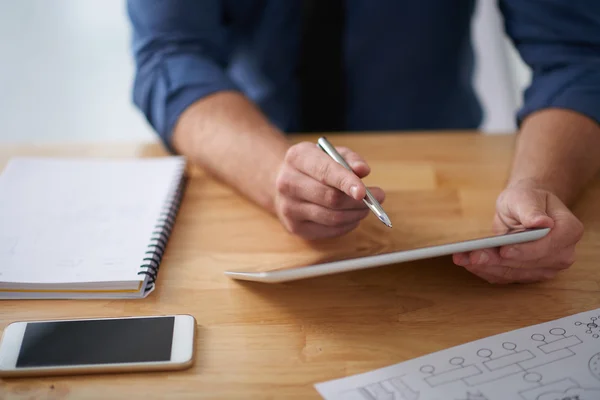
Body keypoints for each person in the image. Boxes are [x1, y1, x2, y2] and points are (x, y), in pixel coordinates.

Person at [126, 1, 600, 284]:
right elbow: (171, 55)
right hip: (242, 159)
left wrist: (540, 184)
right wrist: (272, 174)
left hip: (442, 162)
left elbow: (578, 58)